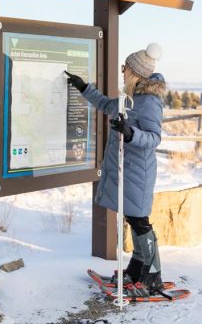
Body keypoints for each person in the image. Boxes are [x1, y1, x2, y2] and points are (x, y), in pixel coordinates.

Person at [66, 43, 167, 297]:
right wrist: (83, 86)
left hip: (139, 173)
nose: (122, 71)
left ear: (134, 72)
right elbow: (103, 103)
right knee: (133, 219)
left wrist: (130, 133)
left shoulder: (149, 102)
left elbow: (154, 138)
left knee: (140, 221)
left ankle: (152, 275)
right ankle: (136, 269)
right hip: (126, 171)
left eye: (125, 68)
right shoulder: (127, 99)